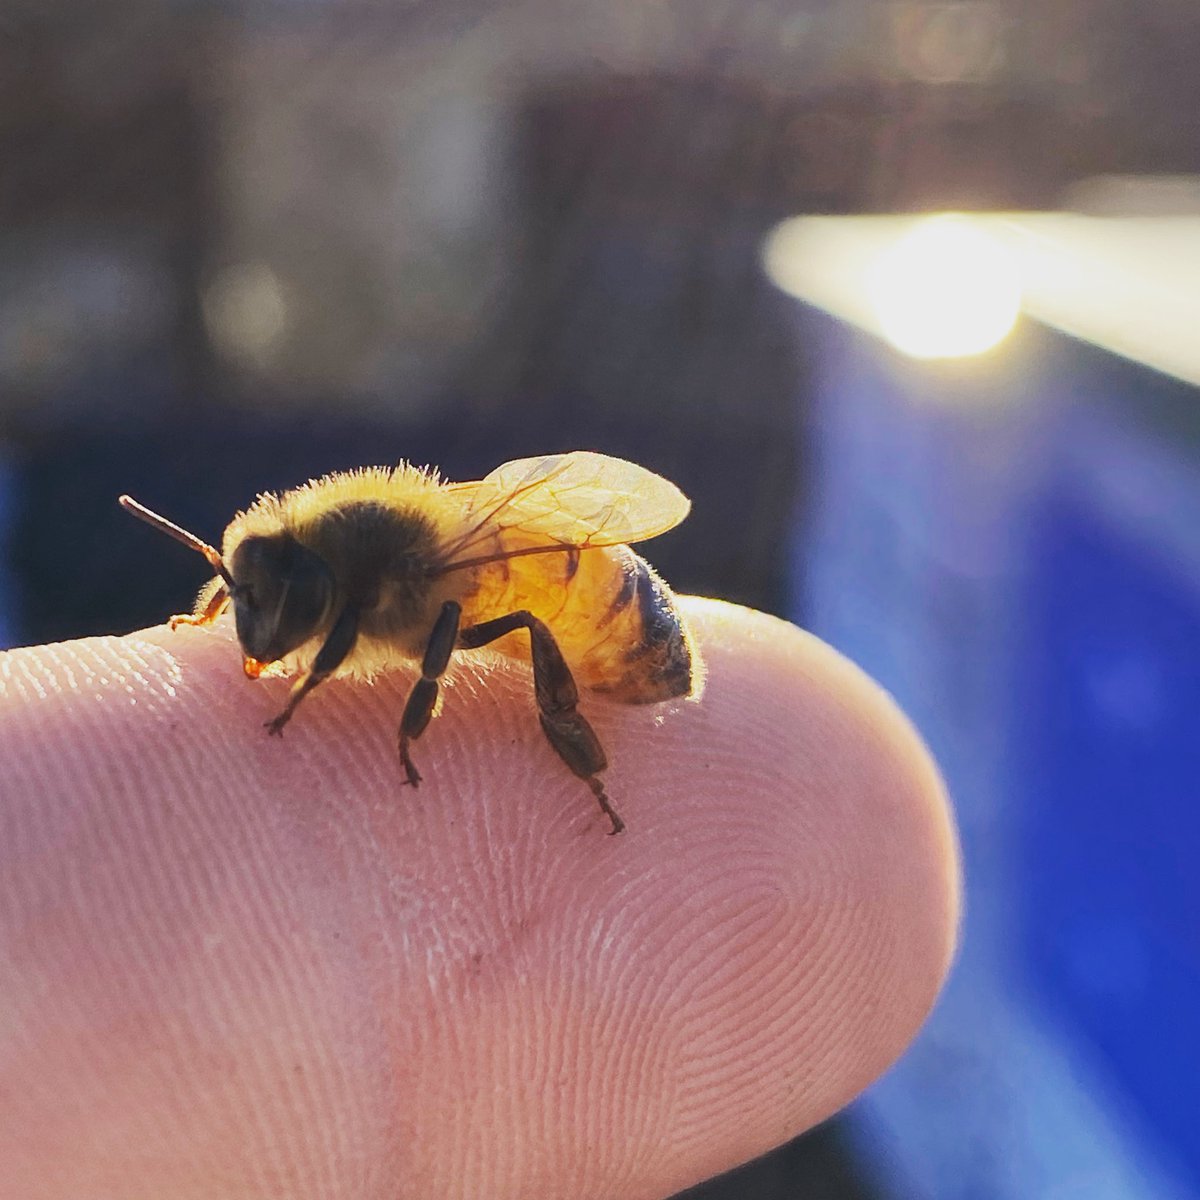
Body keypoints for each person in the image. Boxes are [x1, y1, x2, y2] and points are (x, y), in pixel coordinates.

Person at [0, 597, 959, 1199]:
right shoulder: (348, 569)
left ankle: (585, 768)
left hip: (606, 617)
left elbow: (428, 639)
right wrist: (217, 619)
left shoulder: (385, 587)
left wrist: (339, 717)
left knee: (503, 634)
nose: (261, 633)